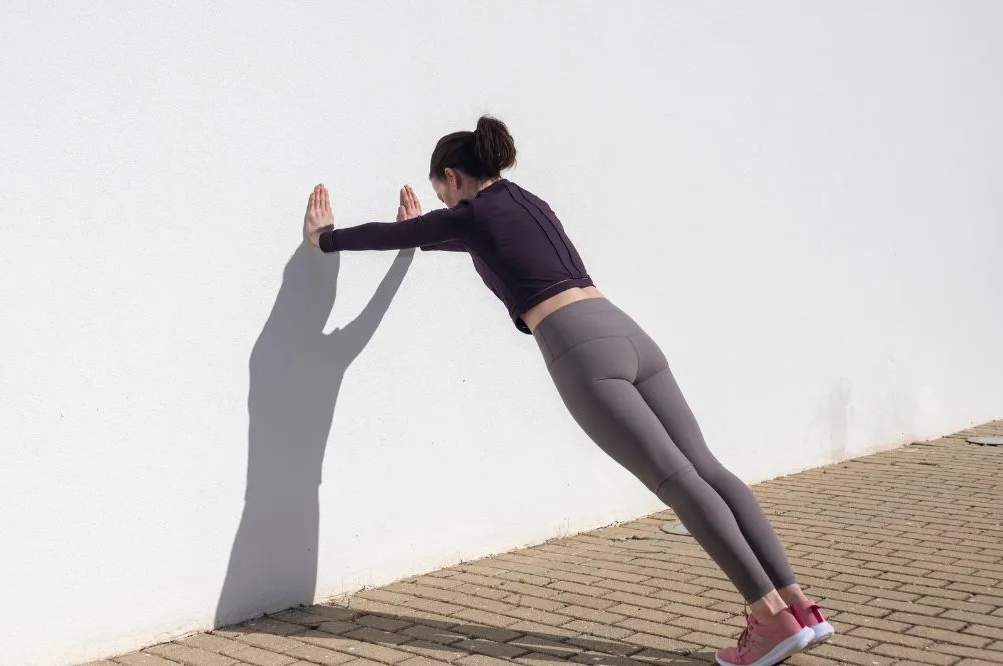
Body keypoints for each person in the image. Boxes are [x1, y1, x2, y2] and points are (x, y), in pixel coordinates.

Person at [300, 115, 835, 666]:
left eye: (441, 190)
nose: (444, 202)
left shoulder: (470, 215)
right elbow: (478, 241)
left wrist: (325, 239)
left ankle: (769, 619)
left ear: (452, 177)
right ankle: (799, 607)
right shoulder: (526, 201)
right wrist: (429, 230)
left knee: (676, 479)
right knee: (707, 467)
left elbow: (416, 233)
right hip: (626, 330)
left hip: (579, 348)